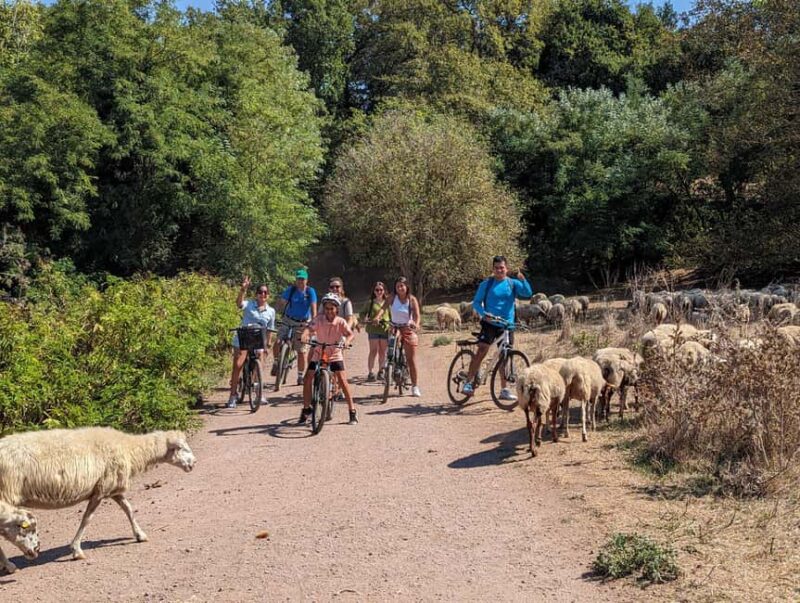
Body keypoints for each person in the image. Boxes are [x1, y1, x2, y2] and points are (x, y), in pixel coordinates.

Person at [461, 256, 532, 399]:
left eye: (502, 267)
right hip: (489, 323)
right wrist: (483, 314)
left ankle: (504, 389)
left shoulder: (512, 283)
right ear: (493, 269)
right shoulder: (486, 284)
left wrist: (523, 280)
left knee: (504, 356)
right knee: (482, 350)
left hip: (507, 325)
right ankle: (468, 382)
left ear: (507, 269)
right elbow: (476, 302)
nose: (499, 270)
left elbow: (528, 293)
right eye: (497, 268)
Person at [299, 293, 358, 425]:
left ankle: (352, 411)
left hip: (335, 352)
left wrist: (347, 341)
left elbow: (350, 334)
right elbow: (309, 328)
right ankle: (306, 408)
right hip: (319, 351)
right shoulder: (319, 319)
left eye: (332, 308)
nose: (329, 311)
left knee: (342, 380)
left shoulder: (341, 322)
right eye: (327, 308)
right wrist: (305, 334)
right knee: (308, 377)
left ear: (337, 309)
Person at [228, 277, 276, 408]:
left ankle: (258, 392)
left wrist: (268, 344)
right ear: (256, 294)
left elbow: (270, 329)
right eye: (260, 292)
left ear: (268, 295)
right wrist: (243, 289)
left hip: (258, 338)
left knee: (259, 362)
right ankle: (232, 396)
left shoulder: (271, 311)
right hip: (244, 335)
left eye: (265, 292)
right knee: (238, 364)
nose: (263, 294)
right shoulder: (249, 304)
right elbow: (238, 304)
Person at [375, 276, 422, 397]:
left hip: (407, 328)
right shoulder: (392, 297)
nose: (400, 288)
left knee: (411, 359)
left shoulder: (412, 299)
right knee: (390, 348)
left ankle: (415, 386)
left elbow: (417, 315)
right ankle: (390, 365)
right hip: (394, 327)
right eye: (397, 286)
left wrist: (416, 324)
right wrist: (377, 317)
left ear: (406, 287)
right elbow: (383, 308)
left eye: (402, 285)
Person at [273, 268, 317, 386]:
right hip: (288, 320)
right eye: (298, 279)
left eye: (302, 279)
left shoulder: (310, 292)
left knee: (301, 351)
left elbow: (314, 309)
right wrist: (274, 315)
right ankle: (277, 362)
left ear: (306, 280)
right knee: (277, 341)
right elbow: (281, 303)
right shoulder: (291, 290)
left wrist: (313, 323)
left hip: (302, 323)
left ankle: (300, 376)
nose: (300, 281)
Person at [360, 281, 391, 382]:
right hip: (373, 329)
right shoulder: (370, 302)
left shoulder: (388, 303)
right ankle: (371, 372)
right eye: (377, 290)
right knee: (373, 351)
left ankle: (381, 371)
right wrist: (364, 318)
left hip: (384, 329)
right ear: (374, 291)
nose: (379, 292)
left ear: (384, 291)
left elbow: (391, 315)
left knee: (383, 351)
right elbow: (362, 313)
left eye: (381, 290)